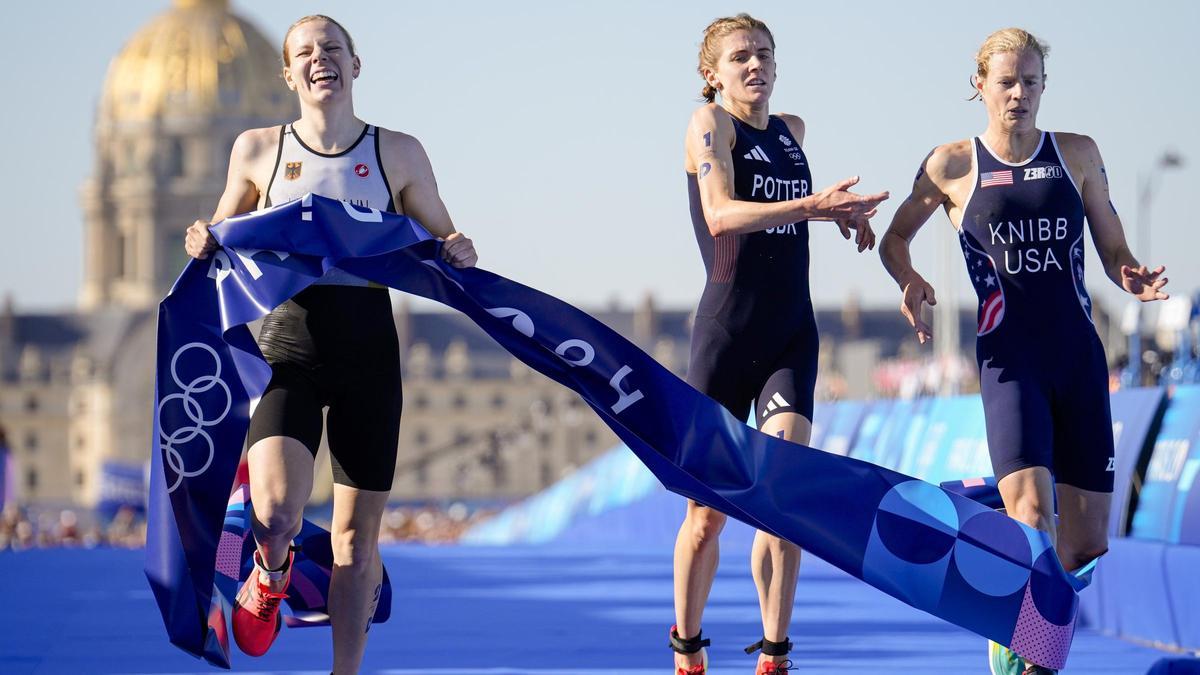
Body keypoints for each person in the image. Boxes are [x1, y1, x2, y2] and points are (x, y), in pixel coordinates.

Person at [183, 14, 477, 673]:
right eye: (307, 52)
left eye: (334, 48)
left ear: (356, 64)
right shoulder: (259, 149)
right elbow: (221, 229)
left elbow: (445, 240)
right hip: (287, 347)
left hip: (369, 354)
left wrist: (459, 246)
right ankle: (273, 568)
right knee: (275, 509)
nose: (322, 58)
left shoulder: (397, 152)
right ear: (288, 74)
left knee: (355, 541)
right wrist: (202, 238)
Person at [878, 27, 1168, 675]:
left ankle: (1001, 572)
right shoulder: (951, 165)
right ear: (978, 86)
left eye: (1031, 82)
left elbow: (1113, 247)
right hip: (1010, 362)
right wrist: (910, 279)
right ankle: (1030, 658)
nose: (1019, 94)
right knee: (1033, 515)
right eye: (1006, 81)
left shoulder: (1077, 153)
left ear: (1044, 86)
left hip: (1078, 357)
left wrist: (1131, 275)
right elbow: (894, 238)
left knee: (1086, 539)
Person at [675, 14, 888, 675]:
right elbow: (720, 213)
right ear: (714, 72)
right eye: (740, 56)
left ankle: (775, 651)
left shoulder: (792, 132)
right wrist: (811, 208)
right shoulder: (709, 126)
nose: (755, 64)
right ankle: (687, 642)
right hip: (725, 337)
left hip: (791, 335)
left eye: (764, 53)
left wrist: (842, 215)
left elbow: (804, 207)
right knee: (707, 516)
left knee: (781, 495)